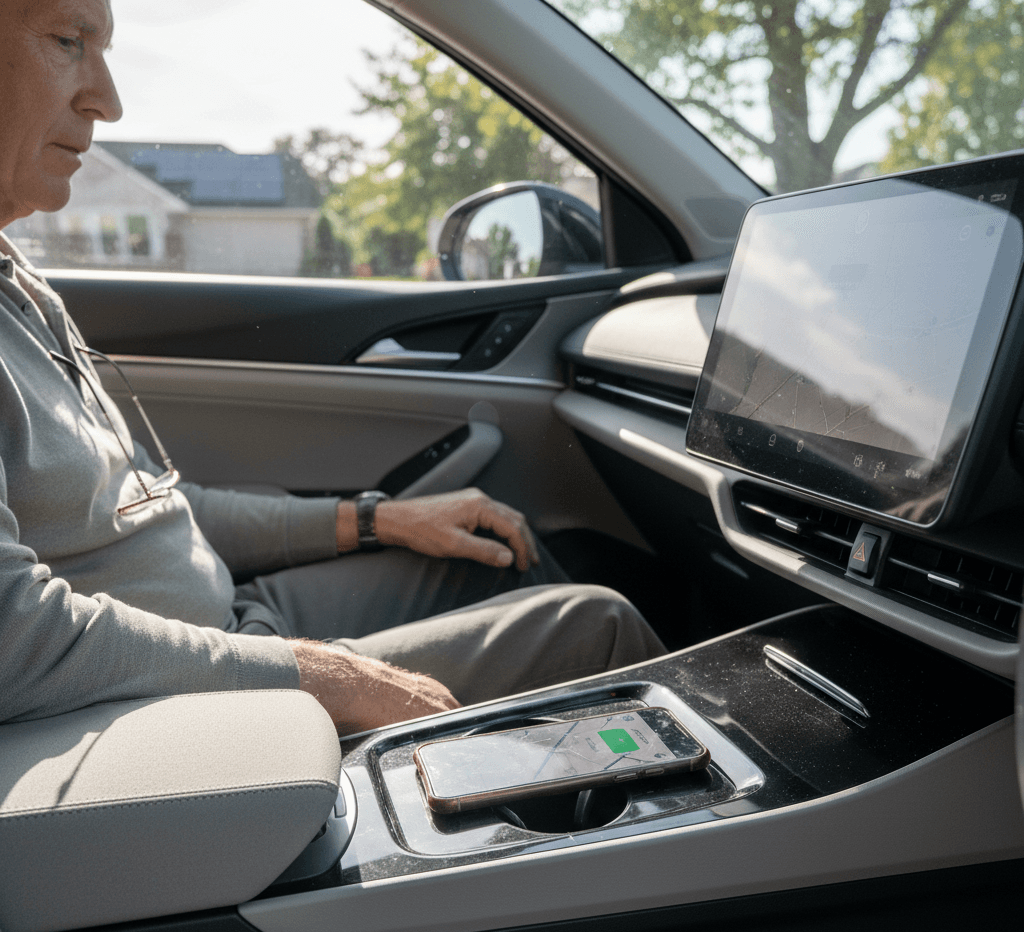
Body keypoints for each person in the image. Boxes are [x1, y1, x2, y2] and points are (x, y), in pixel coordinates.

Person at [0, 0, 666, 734]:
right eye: (69, 40)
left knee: (500, 557)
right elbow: (14, 639)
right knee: (598, 628)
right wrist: (316, 677)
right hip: (177, 712)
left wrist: (380, 518)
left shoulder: (18, 281)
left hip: (233, 624)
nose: (109, 99)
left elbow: (165, 510)